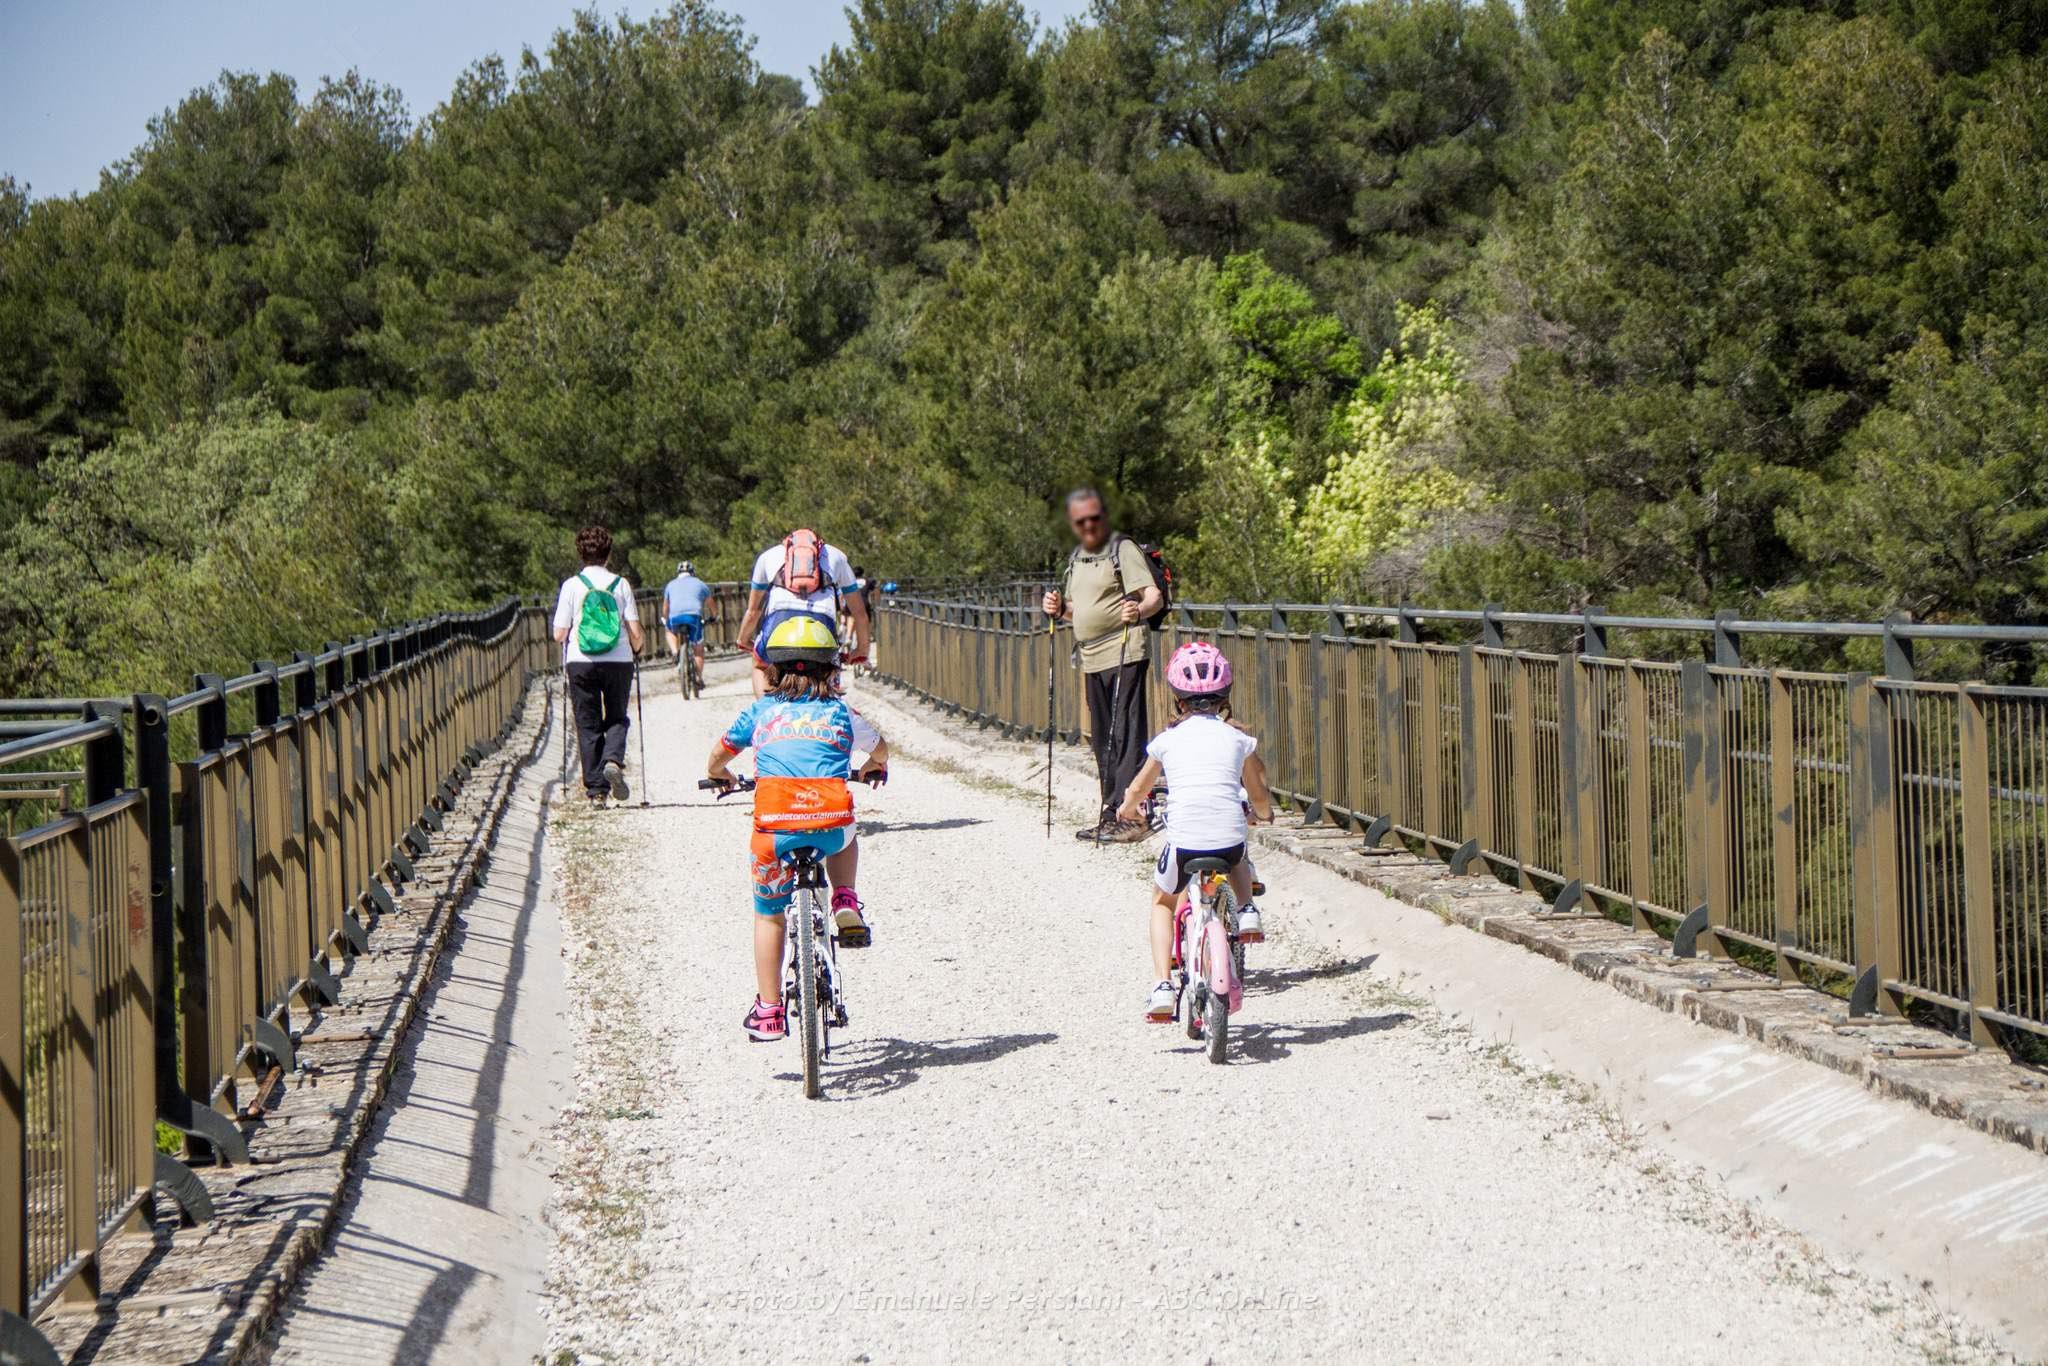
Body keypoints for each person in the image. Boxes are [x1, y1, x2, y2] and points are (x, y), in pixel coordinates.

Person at [706, 616, 889, 1041]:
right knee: (846, 828)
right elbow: (880, 748)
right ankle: (845, 896)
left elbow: (718, 756)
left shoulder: (760, 711)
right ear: (832, 669)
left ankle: (769, 1011)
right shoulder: (841, 711)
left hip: (775, 832)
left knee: (769, 916)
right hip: (828, 825)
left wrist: (721, 775)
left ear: (772, 669)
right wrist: (872, 766)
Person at [1116, 640, 1273, 1021]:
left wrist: (1127, 807)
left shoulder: (1167, 741)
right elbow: (1258, 792)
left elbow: (1138, 788)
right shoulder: (1239, 739)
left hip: (1185, 842)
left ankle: (1161, 986)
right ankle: (1247, 909)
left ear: (1177, 699)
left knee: (1161, 902)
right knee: (1236, 847)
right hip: (1229, 839)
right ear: (1225, 697)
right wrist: (1263, 814)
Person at [1040, 488, 1162, 842]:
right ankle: (1110, 813)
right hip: (1092, 656)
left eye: (1093, 517)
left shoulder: (1123, 549)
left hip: (1125, 650)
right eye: (1080, 520)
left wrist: (1138, 610)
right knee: (1103, 740)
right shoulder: (1078, 556)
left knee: (1125, 735)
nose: (1087, 525)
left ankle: (1131, 816)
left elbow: (1151, 595)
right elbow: (1081, 609)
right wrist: (1059, 609)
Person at [552, 525, 644, 804]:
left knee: (587, 723)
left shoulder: (571, 585)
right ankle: (613, 760)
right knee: (616, 716)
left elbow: (559, 633)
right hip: (618, 660)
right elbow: (635, 631)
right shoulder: (621, 585)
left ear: (580, 553)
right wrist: (637, 648)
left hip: (581, 661)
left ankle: (597, 792)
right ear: (609, 553)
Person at [734, 529, 870, 698]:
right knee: (830, 664)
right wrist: (862, 649)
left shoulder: (767, 556)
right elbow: (860, 614)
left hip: (779, 623)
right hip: (821, 625)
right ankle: (828, 712)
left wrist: (744, 640)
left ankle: (766, 714)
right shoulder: (837, 556)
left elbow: (753, 612)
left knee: (760, 663)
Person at [663, 559, 716, 682]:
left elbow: (665, 607)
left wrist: (666, 619)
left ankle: (675, 652)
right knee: (698, 648)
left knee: (669, 630)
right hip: (693, 616)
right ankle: (698, 677)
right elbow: (711, 604)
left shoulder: (670, 584)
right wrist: (714, 616)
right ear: (693, 572)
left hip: (675, 617)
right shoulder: (700, 584)